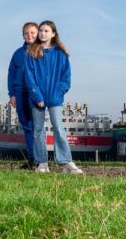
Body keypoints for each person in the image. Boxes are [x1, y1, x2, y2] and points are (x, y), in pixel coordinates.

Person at [24, 20, 83, 174]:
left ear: (53, 34)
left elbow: (66, 78)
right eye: (41, 31)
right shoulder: (32, 53)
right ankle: (42, 163)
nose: (43, 34)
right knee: (38, 131)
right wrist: (37, 96)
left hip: (55, 98)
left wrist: (59, 92)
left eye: (46, 31)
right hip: (37, 99)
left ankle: (67, 162)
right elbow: (29, 77)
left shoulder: (61, 54)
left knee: (58, 128)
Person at [7, 22, 39, 169]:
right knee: (27, 126)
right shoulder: (18, 53)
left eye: (32, 33)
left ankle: (40, 159)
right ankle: (32, 158)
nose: (30, 35)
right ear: (23, 35)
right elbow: (11, 74)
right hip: (20, 92)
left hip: (36, 93)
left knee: (37, 127)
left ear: (37, 33)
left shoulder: (42, 50)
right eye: (27, 33)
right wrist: (12, 94)